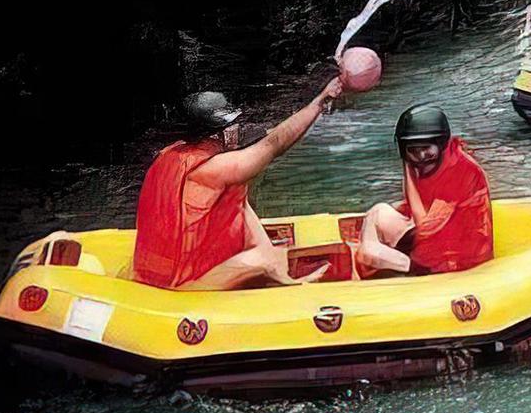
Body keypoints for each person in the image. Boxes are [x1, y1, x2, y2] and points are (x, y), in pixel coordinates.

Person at [132, 80, 343, 290]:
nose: (237, 128)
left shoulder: (170, 154)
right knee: (265, 262)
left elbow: (239, 204)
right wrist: (319, 102)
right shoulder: (211, 170)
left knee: (250, 220)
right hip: (182, 285)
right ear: (217, 132)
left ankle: (274, 269)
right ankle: (289, 287)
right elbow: (274, 144)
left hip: (157, 274)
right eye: (232, 124)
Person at [355, 104, 494, 278]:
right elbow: (423, 206)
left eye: (426, 149)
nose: (421, 157)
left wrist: (408, 169)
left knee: (367, 253)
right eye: (413, 151)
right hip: (442, 239)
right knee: (377, 212)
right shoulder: (436, 163)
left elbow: (425, 228)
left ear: (440, 143)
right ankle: (384, 264)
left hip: (457, 260)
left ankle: (404, 267)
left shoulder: (462, 171)